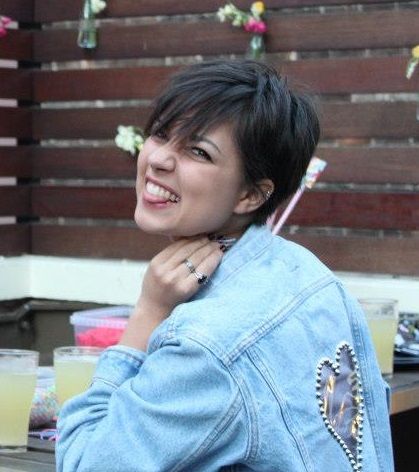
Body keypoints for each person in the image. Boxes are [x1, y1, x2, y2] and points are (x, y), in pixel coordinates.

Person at [56, 60, 393, 471]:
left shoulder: (205, 346)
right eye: (160, 134)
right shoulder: (314, 277)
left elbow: (88, 464)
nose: (159, 159)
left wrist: (147, 314)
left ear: (251, 195)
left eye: (198, 151)